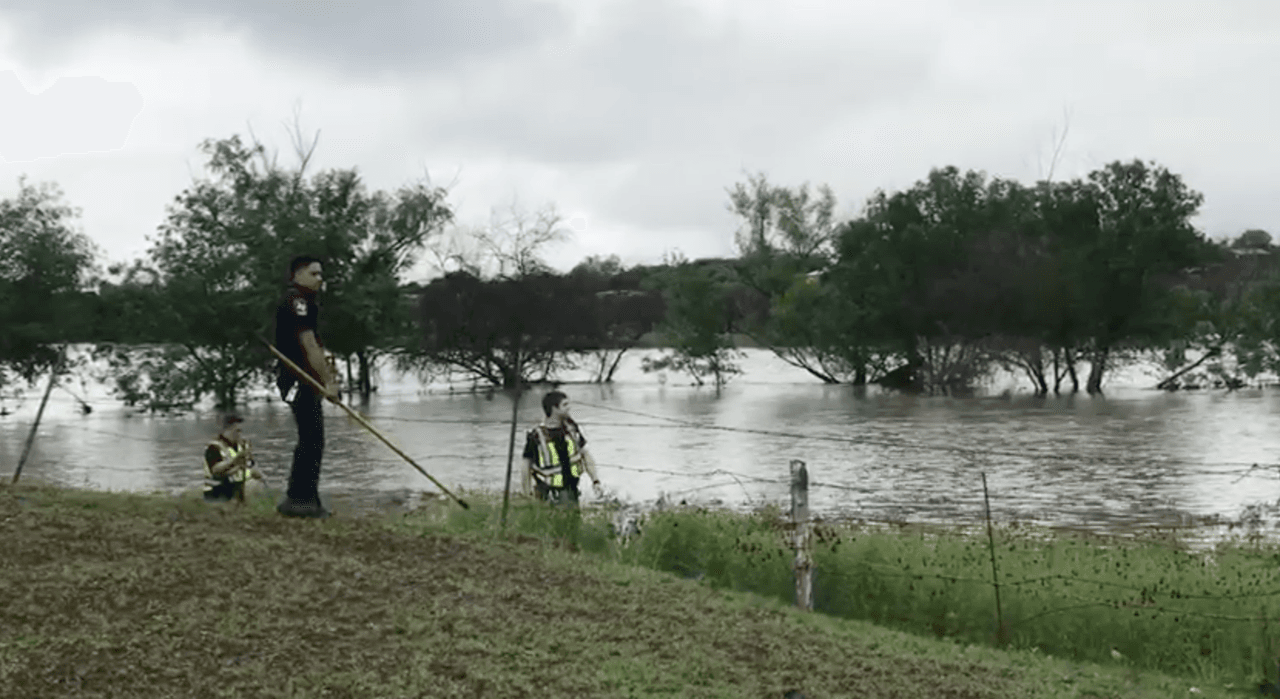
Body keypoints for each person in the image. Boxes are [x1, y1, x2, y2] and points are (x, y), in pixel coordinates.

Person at [273, 255, 341, 519]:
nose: (320, 279)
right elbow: (309, 345)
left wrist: (331, 376)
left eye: (321, 274)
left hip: (307, 378)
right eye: (314, 274)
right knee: (311, 439)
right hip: (297, 379)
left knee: (313, 439)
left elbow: (319, 348)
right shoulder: (297, 302)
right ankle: (300, 501)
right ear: (297, 275)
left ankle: (305, 498)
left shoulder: (309, 304)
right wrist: (327, 384)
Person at [521, 390, 603, 507]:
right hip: (548, 492)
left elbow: (586, 454)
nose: (569, 408)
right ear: (554, 408)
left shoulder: (572, 430)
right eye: (565, 405)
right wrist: (527, 492)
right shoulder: (537, 435)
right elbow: (525, 465)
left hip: (572, 488)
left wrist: (595, 481)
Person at [203, 413, 266, 504]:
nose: (240, 435)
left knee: (257, 484)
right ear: (227, 430)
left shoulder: (243, 445)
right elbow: (215, 469)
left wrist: (256, 472)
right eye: (237, 431)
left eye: (241, 431)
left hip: (239, 486)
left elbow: (251, 466)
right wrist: (235, 462)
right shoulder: (214, 447)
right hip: (218, 490)